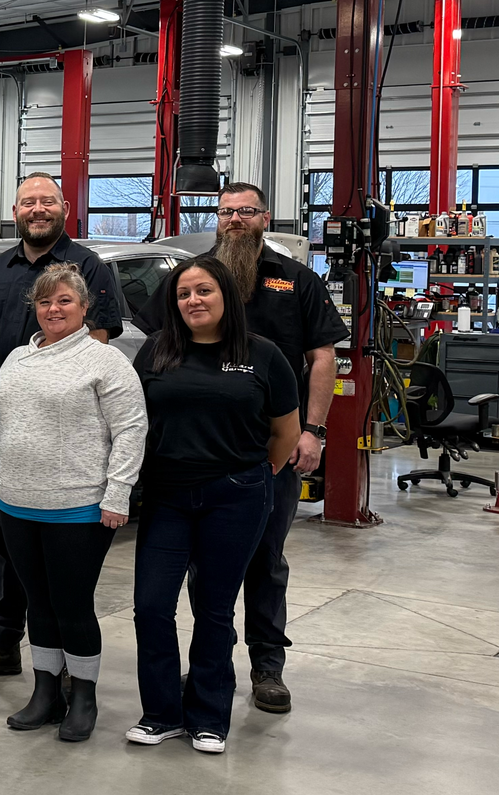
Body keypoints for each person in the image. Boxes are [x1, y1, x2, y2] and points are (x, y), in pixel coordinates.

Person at [132, 181, 346, 714]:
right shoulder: (187, 278)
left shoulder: (296, 280)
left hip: (270, 449)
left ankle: (267, 664)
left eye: (245, 212)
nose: (234, 220)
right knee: (208, 573)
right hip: (189, 462)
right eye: (226, 211)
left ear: (264, 218)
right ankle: (212, 666)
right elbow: (150, 347)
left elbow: (324, 358)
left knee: (265, 560)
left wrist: (312, 433)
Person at [127, 255, 301, 754]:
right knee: (151, 606)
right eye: (183, 294)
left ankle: (208, 716)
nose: (192, 301)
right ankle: (161, 713)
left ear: (225, 295)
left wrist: (251, 474)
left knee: (215, 610)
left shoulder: (263, 355)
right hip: (166, 497)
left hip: (236, 496)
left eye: (203, 291)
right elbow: (134, 420)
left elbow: (285, 433)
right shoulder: (157, 351)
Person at [0, 262, 146, 742]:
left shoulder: (105, 361)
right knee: (39, 606)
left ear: (86, 309)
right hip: (17, 505)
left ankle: (83, 694)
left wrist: (118, 494)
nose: (54, 309)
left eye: (65, 300)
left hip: (79, 508)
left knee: (72, 605)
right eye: (46, 302)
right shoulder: (16, 359)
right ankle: (45, 691)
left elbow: (130, 431)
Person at [0, 172, 126, 681]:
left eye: (47, 201)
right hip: (7, 426)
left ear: (65, 207)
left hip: (63, 435)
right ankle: (4, 639)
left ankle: (61, 663)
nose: (38, 209)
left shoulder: (89, 266)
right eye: (28, 202)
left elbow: (96, 343)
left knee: (59, 569)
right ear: (15, 212)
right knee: (7, 545)